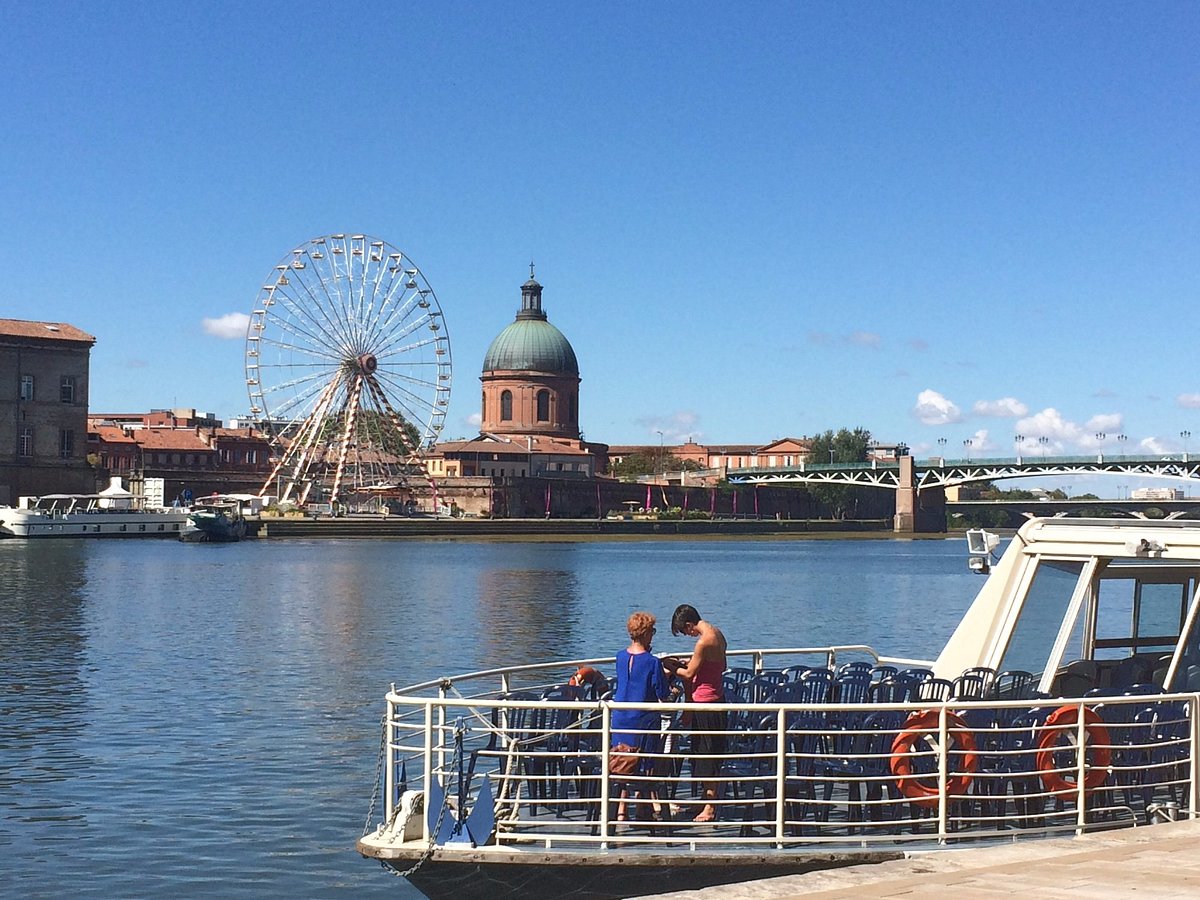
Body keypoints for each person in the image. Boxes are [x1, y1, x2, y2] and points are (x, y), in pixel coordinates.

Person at [611, 611, 671, 821]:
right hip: (642, 719)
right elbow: (662, 693)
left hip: (620, 716)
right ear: (646, 633)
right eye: (652, 631)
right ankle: (641, 806)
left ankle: (621, 809)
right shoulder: (652, 662)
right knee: (644, 762)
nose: (653, 635)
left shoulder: (620, 657)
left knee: (621, 761)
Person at [670, 603, 728, 822]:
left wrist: (671, 666)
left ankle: (710, 807)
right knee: (703, 752)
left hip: (706, 703)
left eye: (684, 631)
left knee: (707, 754)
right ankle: (705, 800)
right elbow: (720, 665)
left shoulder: (703, 641)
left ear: (689, 625)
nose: (687, 635)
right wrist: (693, 663)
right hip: (716, 698)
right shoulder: (718, 634)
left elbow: (689, 674)